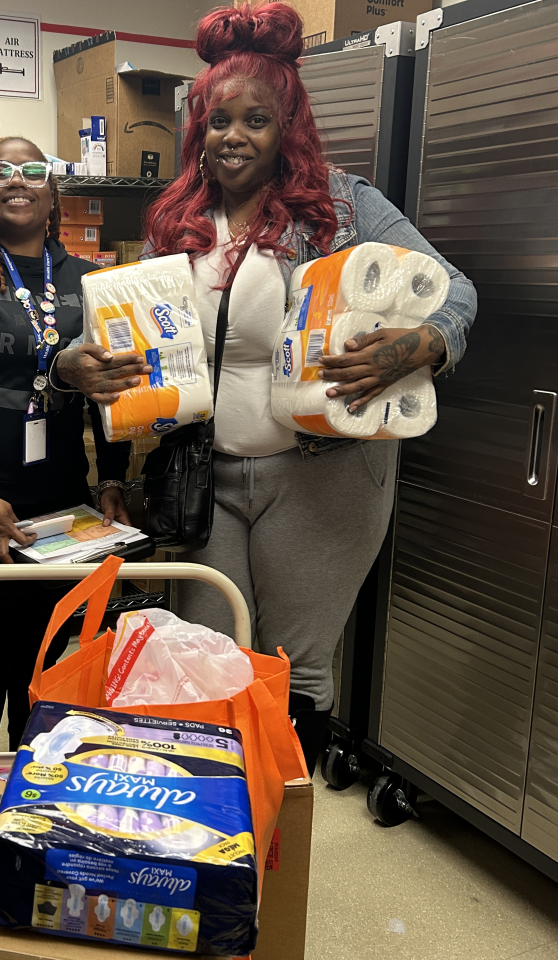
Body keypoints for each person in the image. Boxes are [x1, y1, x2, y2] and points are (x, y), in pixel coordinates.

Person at [56, 1, 477, 774]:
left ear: (288, 126)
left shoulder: (342, 205)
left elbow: (456, 290)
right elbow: (119, 328)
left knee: (294, 668)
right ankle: (221, 827)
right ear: (199, 128)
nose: (234, 136)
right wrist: (74, 363)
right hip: (205, 474)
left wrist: (417, 346)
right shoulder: (178, 220)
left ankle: (282, 832)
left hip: (323, 476)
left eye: (255, 120)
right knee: (205, 661)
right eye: (218, 121)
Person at [0, 137, 131, 754]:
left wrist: (111, 478)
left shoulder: (85, 279)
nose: (17, 180)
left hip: (61, 504)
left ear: (53, 192)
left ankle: (34, 783)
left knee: (44, 662)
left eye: (33, 170)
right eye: (0, 170)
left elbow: (110, 388)